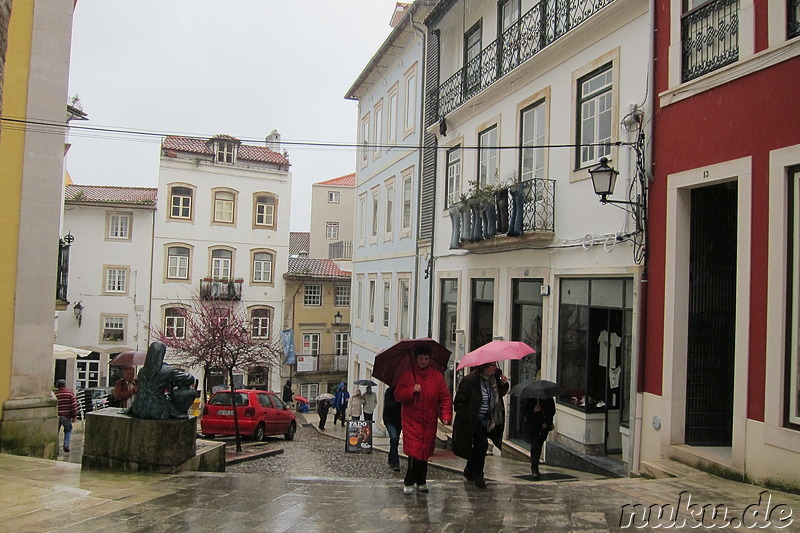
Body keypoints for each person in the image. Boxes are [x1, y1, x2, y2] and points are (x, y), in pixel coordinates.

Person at [394, 346, 452, 494]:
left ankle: (421, 481)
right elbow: (398, 395)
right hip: (412, 421)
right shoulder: (407, 375)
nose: (424, 361)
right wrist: (411, 390)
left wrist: (445, 416)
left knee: (425, 452)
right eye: (421, 358)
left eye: (426, 359)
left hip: (429, 421)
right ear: (416, 359)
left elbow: (444, 397)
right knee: (414, 453)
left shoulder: (437, 376)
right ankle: (409, 481)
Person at [452, 362, 509, 489]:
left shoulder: (495, 378)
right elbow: (459, 402)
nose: (495, 368)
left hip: (489, 419)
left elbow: (500, 394)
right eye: (492, 366)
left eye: (495, 365)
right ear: (485, 367)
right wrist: (466, 416)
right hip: (474, 420)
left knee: (479, 446)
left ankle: (469, 469)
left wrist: (504, 384)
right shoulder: (470, 381)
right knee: (482, 445)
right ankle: (478, 475)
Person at [524, 397, 556, 479]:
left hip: (543, 428)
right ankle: (534, 469)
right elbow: (524, 412)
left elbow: (552, 411)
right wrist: (533, 411)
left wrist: (546, 423)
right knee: (535, 447)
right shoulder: (530, 399)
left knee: (539, 446)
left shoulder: (549, 400)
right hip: (533, 427)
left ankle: (536, 465)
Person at [55, 379, 79, 453]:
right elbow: (74, 406)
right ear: (65, 385)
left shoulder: (55, 394)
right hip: (66, 416)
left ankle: (56, 449)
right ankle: (66, 444)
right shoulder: (70, 394)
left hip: (56, 416)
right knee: (68, 430)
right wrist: (74, 416)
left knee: (56, 433)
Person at [383, 386, 402, 471]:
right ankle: (395, 462)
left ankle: (391, 458)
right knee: (394, 438)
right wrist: (397, 401)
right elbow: (388, 406)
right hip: (389, 420)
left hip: (399, 420)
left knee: (395, 440)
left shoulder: (402, 391)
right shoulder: (389, 391)